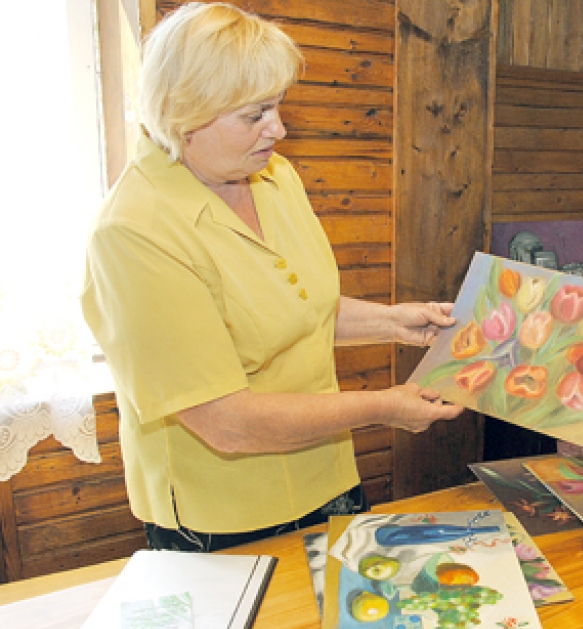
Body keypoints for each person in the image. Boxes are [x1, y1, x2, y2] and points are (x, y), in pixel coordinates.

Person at [81, 2, 463, 553]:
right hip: (224, 513)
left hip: (326, 474)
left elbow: (297, 307)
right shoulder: (134, 232)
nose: (278, 130)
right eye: (255, 114)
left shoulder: (274, 177)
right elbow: (225, 421)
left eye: (278, 107)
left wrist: (393, 322)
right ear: (184, 111)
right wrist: (385, 406)